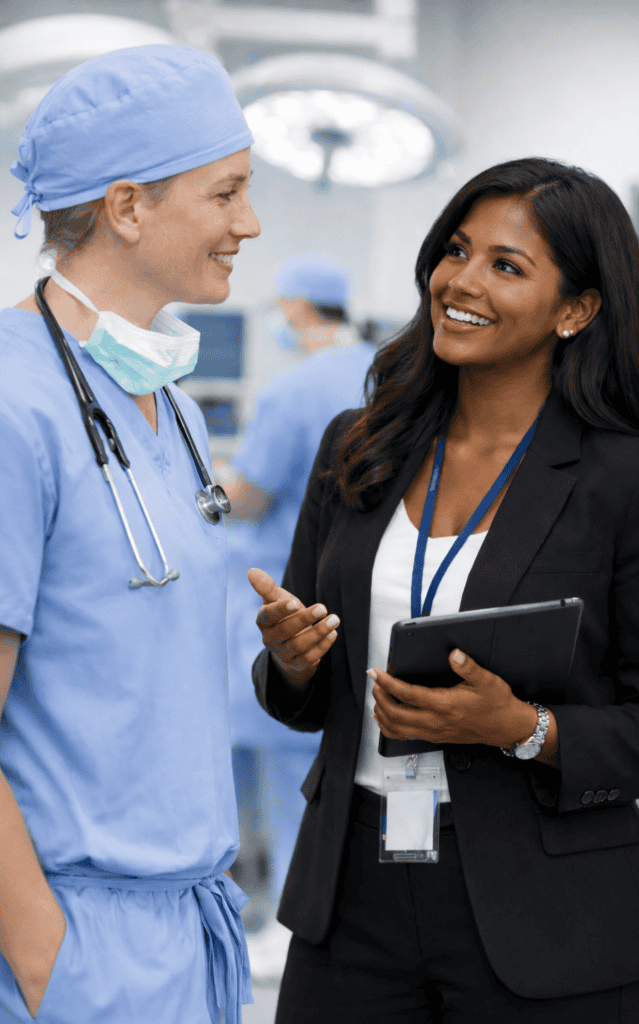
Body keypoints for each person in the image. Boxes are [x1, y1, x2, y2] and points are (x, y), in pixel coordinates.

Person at [247, 157, 639, 1023]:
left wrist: (523, 728)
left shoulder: (632, 481)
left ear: (575, 310)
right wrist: (292, 662)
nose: (461, 281)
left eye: (505, 265)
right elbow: (302, 696)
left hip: (548, 915)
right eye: (455, 249)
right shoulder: (359, 446)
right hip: (350, 893)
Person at [0, 45, 260, 1024]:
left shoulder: (169, 405)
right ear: (127, 207)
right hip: (71, 942)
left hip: (186, 926)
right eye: (226, 192)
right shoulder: (14, 403)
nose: (248, 223)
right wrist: (47, 960)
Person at [216, 255, 374, 980]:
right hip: (362, 595)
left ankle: (287, 916)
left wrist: (202, 478)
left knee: (284, 763)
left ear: (300, 307)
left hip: (286, 594)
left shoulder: (295, 389)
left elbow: (249, 497)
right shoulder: (388, 373)